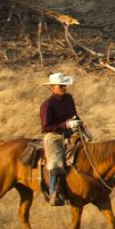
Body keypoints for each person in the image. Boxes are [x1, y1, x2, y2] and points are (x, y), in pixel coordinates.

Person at [38, 73, 81, 206]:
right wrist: (65, 125)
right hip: (54, 136)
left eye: (65, 85)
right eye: (61, 86)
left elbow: (74, 114)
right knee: (55, 163)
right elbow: (46, 127)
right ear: (52, 87)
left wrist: (77, 123)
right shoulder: (47, 105)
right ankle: (53, 193)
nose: (64, 88)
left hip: (70, 133)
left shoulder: (69, 98)